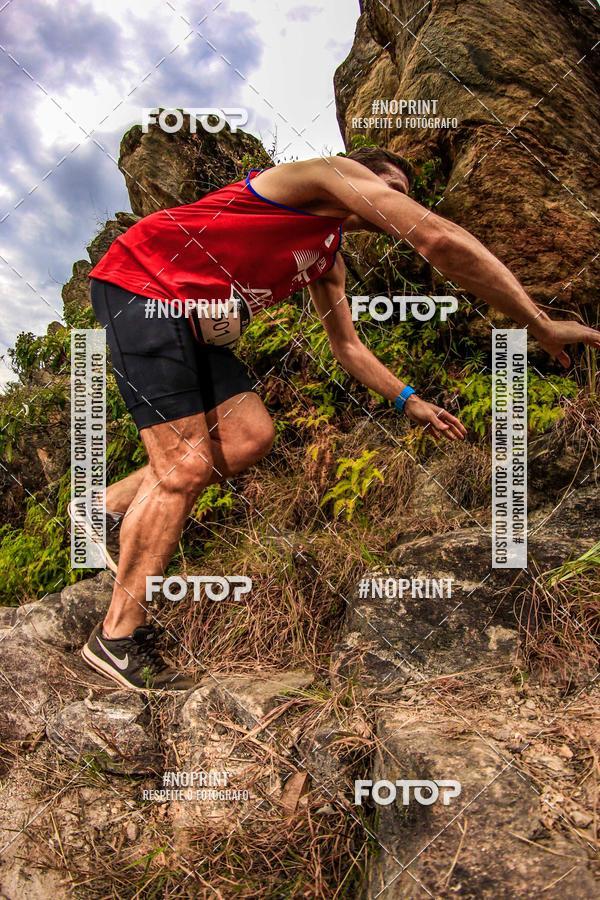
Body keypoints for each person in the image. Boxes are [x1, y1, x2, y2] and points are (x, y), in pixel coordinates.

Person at [74, 148, 600, 691]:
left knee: (249, 435)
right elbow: (437, 239)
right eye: (386, 185)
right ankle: (116, 638)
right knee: (184, 466)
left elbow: (347, 346)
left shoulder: (327, 259)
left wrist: (410, 400)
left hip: (194, 317)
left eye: (402, 192)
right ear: (357, 174)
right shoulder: (318, 175)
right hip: (144, 284)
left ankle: (103, 510)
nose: (394, 198)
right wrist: (538, 321)